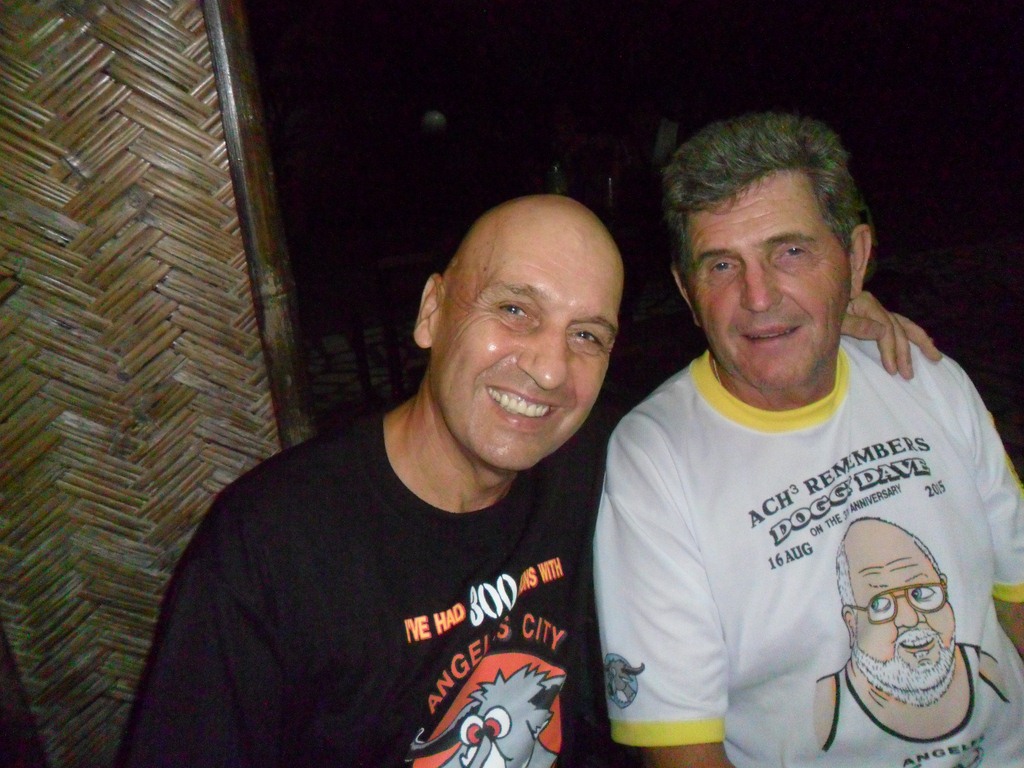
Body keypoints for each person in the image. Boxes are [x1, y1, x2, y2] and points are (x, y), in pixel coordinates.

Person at [118, 193, 928, 767]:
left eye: (587, 335)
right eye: (514, 311)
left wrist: (832, 327)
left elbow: (739, 414)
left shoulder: (611, 462)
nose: (547, 368)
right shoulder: (272, 542)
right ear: (432, 312)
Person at [592, 113, 1024, 768]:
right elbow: (683, 749)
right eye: (721, 265)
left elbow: (1016, 595)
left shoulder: (924, 376)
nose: (758, 296)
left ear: (855, 258)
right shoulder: (656, 461)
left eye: (790, 252)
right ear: (686, 290)